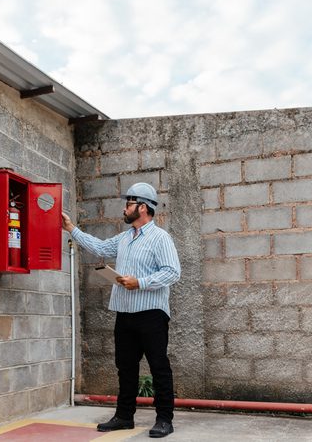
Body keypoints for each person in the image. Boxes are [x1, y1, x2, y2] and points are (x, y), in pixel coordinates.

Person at [62, 182, 181, 438]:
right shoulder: (125, 238)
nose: (124, 209)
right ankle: (124, 416)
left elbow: (173, 272)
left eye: (128, 204)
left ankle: (164, 419)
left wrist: (140, 282)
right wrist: (72, 229)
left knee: (159, 366)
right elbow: (102, 248)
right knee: (125, 368)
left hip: (151, 313)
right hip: (125, 313)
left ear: (142, 207)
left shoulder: (161, 238)